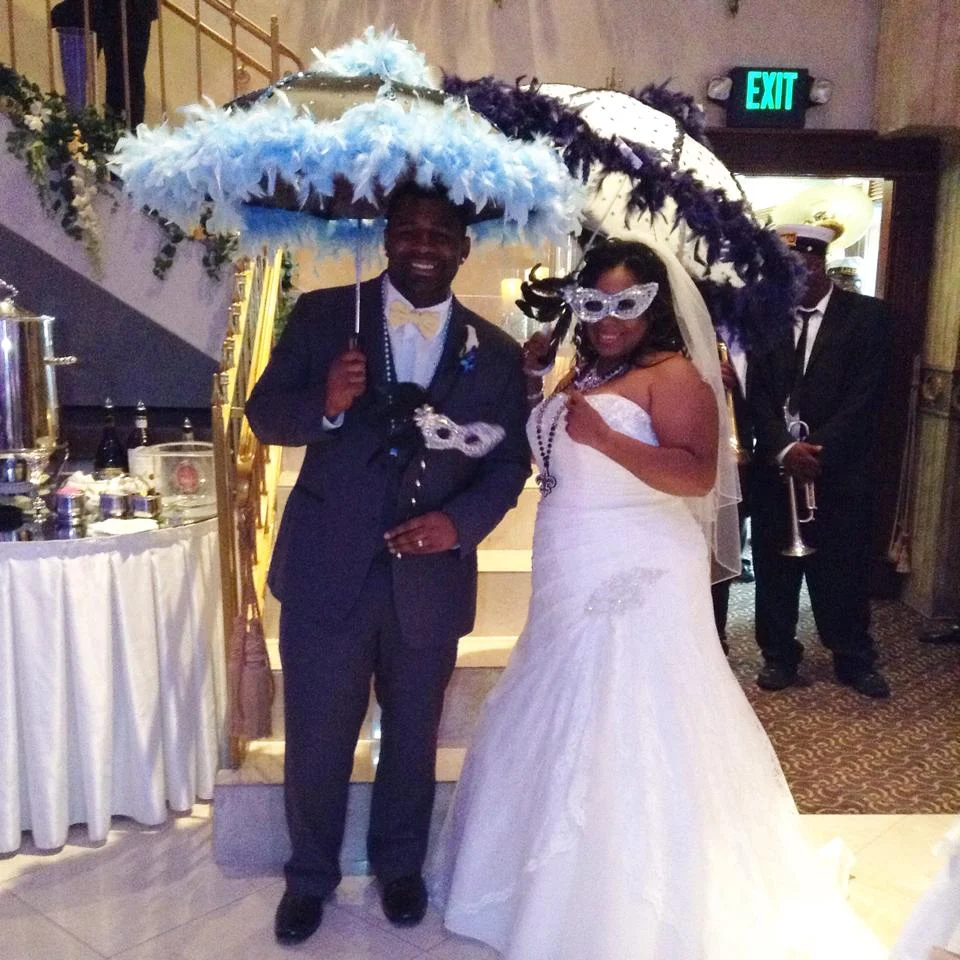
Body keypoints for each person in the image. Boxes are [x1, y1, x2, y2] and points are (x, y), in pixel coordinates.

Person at [430, 238, 884, 960]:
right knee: (561, 698)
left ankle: (621, 899)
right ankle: (541, 883)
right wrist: (530, 384)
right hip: (570, 561)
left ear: (656, 305)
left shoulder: (674, 375)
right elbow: (548, 452)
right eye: (595, 303)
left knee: (627, 710)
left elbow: (695, 476)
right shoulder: (588, 367)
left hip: (638, 565)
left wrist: (610, 442)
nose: (608, 319)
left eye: (626, 304)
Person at [246, 185, 530, 945]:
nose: (425, 243)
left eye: (442, 232)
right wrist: (328, 402)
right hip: (327, 571)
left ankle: (399, 869)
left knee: (413, 733)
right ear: (388, 239)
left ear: (464, 247)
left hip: (429, 582)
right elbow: (265, 414)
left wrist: (458, 525)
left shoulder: (496, 352)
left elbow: (507, 466)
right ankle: (310, 876)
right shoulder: (322, 315)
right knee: (316, 734)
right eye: (409, 230)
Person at [748, 223, 890, 698]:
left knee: (843, 568)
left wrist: (818, 450)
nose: (796, 278)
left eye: (804, 267)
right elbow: (755, 396)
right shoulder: (764, 320)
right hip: (777, 468)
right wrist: (784, 449)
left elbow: (867, 396)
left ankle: (853, 658)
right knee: (774, 567)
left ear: (822, 262)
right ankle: (779, 657)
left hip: (839, 471)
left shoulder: (868, 317)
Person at [96, 0, 158, 127]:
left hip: (136, 9)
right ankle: (113, 131)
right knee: (114, 76)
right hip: (103, 7)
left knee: (132, 76)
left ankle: (129, 134)